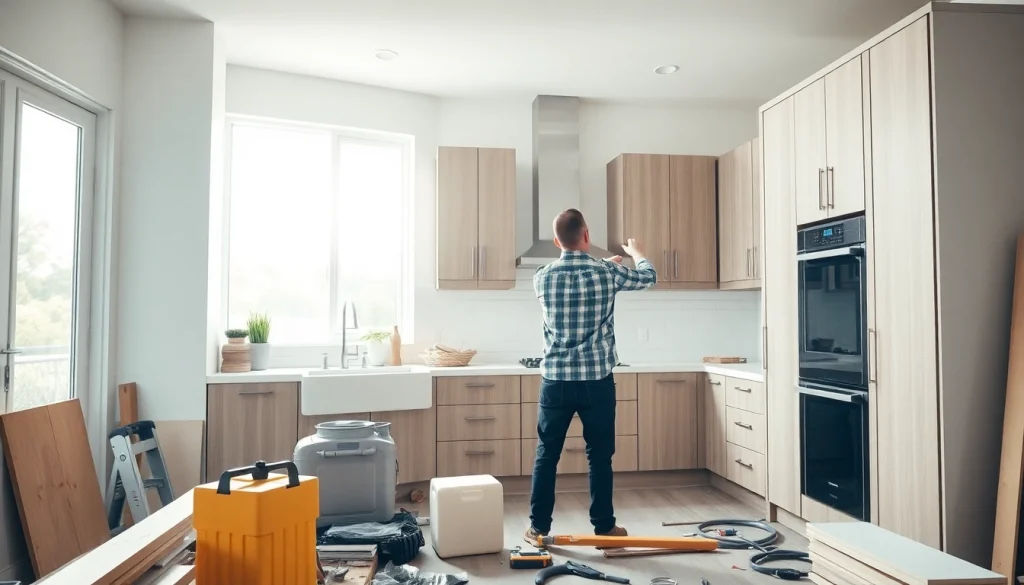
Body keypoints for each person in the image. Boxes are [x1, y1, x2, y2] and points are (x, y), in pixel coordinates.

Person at [526, 208, 657, 544]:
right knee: (599, 456)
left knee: (547, 455)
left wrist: (608, 267)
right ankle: (604, 528)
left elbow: (578, 276)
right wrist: (635, 253)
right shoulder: (606, 274)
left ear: (557, 241)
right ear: (587, 236)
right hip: (597, 382)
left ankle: (538, 528)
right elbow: (648, 277)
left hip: (555, 381)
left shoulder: (541, 276)